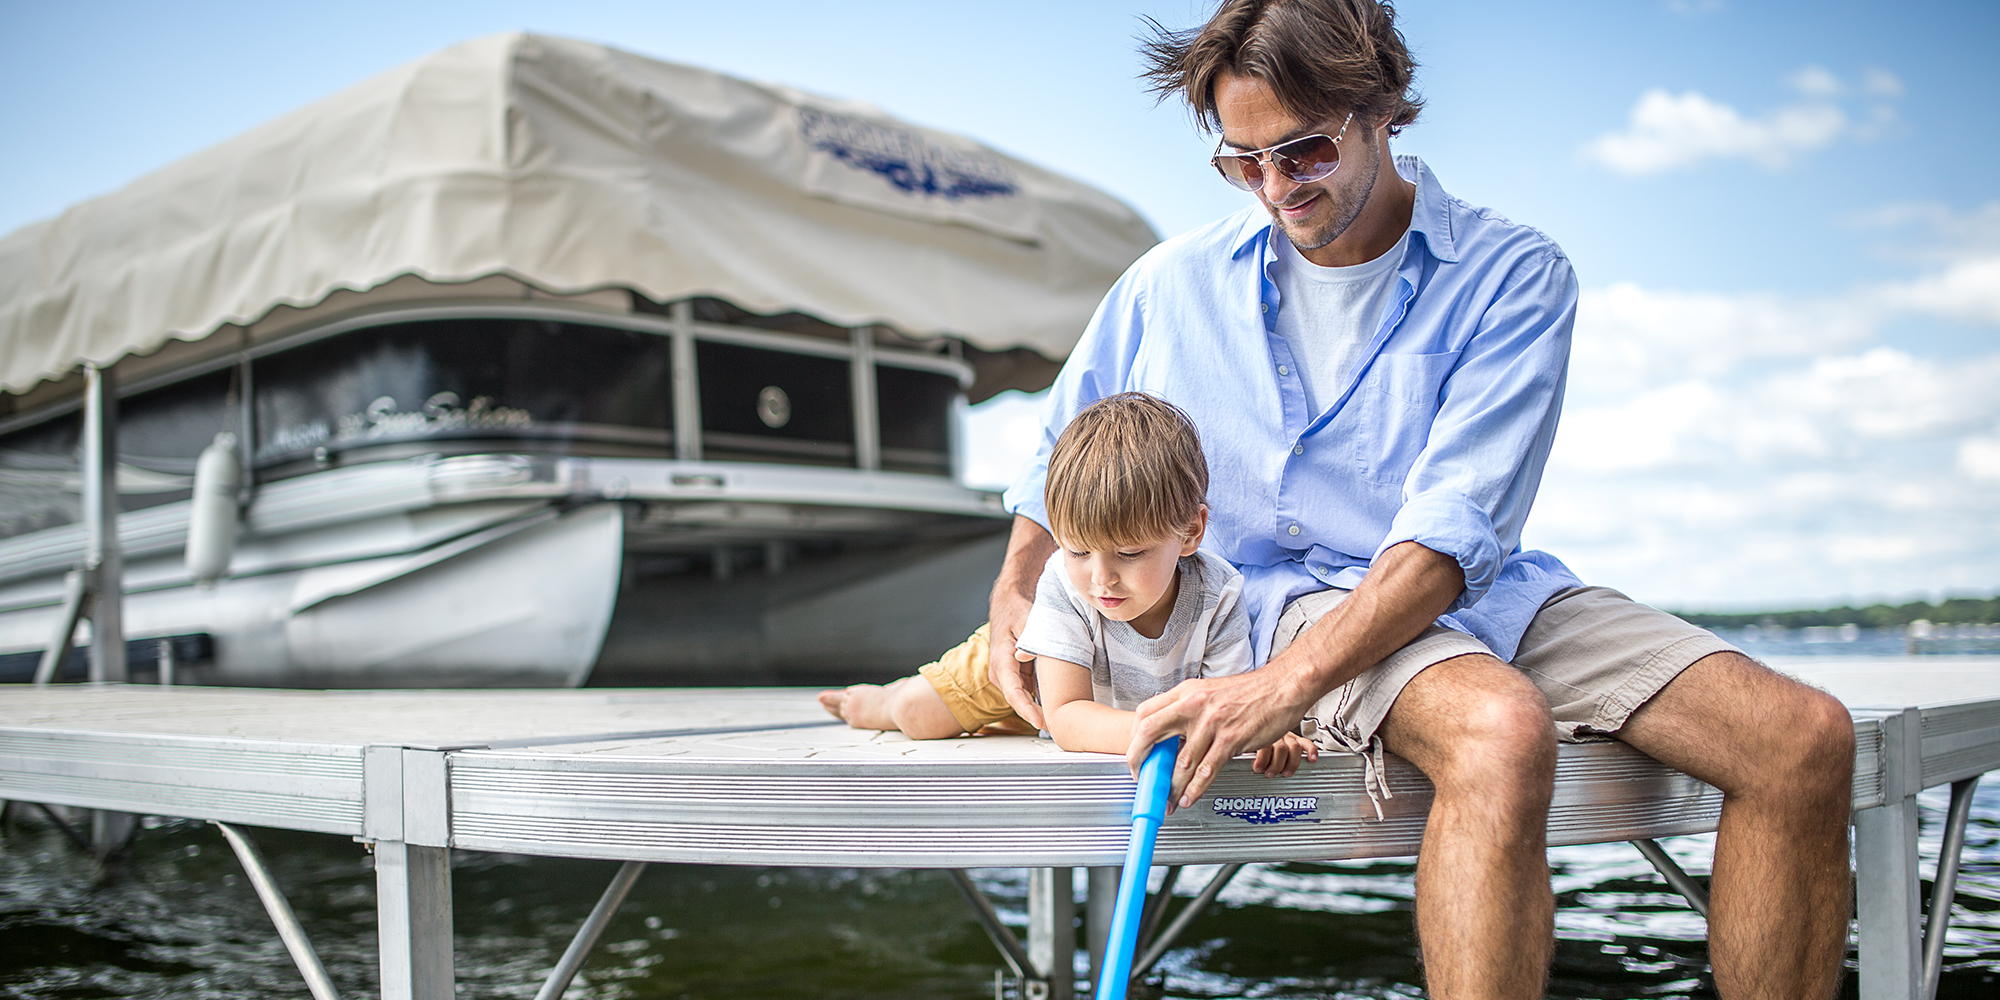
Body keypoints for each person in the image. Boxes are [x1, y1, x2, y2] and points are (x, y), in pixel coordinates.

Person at [980, 2, 1858, 998]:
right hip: (1276, 603)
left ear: (1380, 111)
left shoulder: (1512, 275)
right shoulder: (1162, 284)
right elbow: (1057, 447)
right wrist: (1017, 586)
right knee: (1499, 729)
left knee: (1801, 739)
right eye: (1241, 162)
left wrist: (1286, 688)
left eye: (1301, 152)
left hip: (1468, 589)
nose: (1273, 189)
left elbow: (1448, 541)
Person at [820, 392, 1317, 779]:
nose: (1100, 578)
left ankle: (1003, 722)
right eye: (1078, 550)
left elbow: (1224, 704)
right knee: (917, 714)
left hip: (1111, 706)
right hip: (1038, 675)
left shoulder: (1219, 594)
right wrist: (1172, 729)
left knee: (1034, 726)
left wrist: (1258, 735)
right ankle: (872, 700)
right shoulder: (1065, 582)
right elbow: (1069, 718)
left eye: (1129, 553)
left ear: (1191, 531)